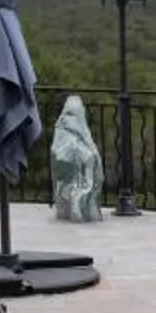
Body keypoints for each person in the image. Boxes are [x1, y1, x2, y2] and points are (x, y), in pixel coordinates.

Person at [50, 92, 102, 222]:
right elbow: (87, 140)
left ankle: (72, 204)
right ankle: (80, 204)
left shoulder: (60, 123)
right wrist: (95, 155)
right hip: (74, 157)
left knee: (80, 172)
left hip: (62, 158)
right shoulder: (77, 123)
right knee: (89, 167)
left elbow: (56, 146)